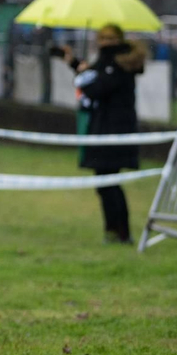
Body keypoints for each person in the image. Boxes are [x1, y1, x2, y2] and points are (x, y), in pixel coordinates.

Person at [65, 24, 145, 244]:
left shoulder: (117, 65)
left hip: (113, 131)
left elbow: (97, 87)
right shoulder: (110, 63)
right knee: (105, 182)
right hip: (106, 129)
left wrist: (81, 75)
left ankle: (121, 232)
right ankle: (114, 230)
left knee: (109, 182)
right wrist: (74, 63)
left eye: (107, 39)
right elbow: (93, 76)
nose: (104, 43)